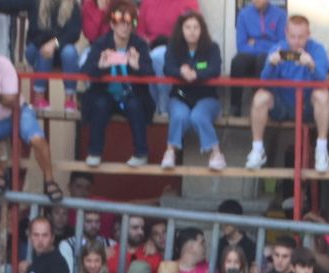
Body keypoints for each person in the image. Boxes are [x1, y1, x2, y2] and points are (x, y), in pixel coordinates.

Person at [0, 32, 59, 200]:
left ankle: (50, 181)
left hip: (18, 112)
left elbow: (13, 102)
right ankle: (0, 175)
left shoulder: (4, 64)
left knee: (37, 139)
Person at [245, 14, 329, 172]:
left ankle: (321, 150)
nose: (296, 41)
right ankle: (257, 150)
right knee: (260, 96)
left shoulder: (317, 49)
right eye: (292, 36)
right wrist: (271, 64)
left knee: (323, 95)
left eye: (301, 37)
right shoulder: (278, 49)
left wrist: (311, 65)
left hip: (307, 107)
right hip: (282, 106)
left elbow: (322, 80)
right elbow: (264, 83)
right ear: (286, 34)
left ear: (308, 35)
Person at [81, 0, 155, 167]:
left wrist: (137, 67)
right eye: (120, 23)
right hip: (105, 94)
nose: (125, 27)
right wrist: (101, 66)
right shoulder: (101, 43)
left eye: (129, 23)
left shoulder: (139, 44)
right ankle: (94, 152)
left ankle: (141, 153)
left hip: (132, 94)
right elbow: (87, 70)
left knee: (135, 105)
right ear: (112, 24)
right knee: (100, 104)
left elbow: (149, 73)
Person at [161, 11, 224, 170]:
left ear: (202, 30)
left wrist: (196, 74)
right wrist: (181, 72)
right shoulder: (173, 47)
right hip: (180, 96)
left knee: (198, 116)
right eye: (188, 27)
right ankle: (170, 152)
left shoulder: (212, 48)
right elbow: (167, 68)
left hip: (207, 97)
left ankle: (216, 154)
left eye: (196, 27)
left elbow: (215, 69)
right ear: (181, 30)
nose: (192, 31)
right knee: (180, 115)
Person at [4, 0, 81, 110]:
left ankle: (69, 100)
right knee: (44, 51)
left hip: (60, 52)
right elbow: (13, 3)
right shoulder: (36, 2)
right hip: (36, 48)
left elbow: (74, 33)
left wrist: (55, 43)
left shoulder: (73, 5)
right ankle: (38, 97)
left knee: (70, 52)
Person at [140, 0, 199, 116]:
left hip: (178, 49)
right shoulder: (146, 3)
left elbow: (193, 31)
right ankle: (151, 106)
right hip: (150, 47)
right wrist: (145, 41)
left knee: (158, 57)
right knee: (148, 58)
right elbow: (140, 31)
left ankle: (163, 106)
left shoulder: (189, 2)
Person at [230, 0, 285, 116]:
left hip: (269, 56)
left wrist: (256, 44)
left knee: (263, 59)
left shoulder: (280, 15)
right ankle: (235, 108)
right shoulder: (243, 14)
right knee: (237, 62)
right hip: (250, 55)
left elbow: (281, 45)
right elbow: (241, 46)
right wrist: (267, 44)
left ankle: (259, 104)